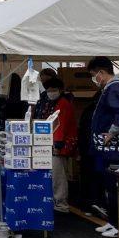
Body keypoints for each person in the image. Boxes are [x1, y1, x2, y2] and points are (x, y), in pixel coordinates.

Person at [88, 57, 119, 238]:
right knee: (108, 184)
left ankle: (117, 225)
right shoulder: (111, 88)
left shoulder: (114, 88)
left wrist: (112, 132)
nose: (94, 79)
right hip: (109, 146)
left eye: (94, 75)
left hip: (113, 148)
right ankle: (113, 221)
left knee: (113, 184)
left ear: (102, 72)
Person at [43, 78, 77, 214]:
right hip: (57, 143)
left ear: (60, 90)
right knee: (57, 174)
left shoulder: (62, 104)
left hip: (59, 145)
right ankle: (58, 201)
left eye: (53, 90)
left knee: (58, 175)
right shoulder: (55, 103)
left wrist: (57, 144)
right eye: (49, 90)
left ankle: (61, 203)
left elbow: (60, 126)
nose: (50, 93)